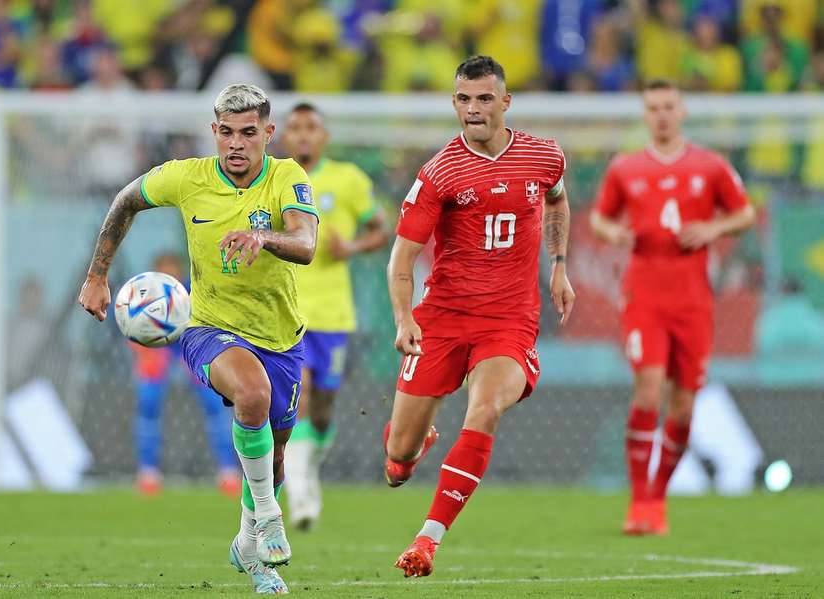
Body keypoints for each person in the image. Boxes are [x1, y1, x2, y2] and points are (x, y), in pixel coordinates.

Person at [78, 84, 319, 595]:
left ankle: (248, 548)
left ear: (267, 134)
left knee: (274, 455)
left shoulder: (286, 177)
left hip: (280, 337)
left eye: (248, 133)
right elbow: (126, 201)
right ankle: (271, 518)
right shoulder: (186, 177)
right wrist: (98, 275)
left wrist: (263, 237)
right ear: (214, 131)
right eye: (226, 133)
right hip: (207, 327)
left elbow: (305, 244)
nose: (236, 144)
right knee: (252, 396)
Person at [384, 55, 575, 578]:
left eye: (484, 98)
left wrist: (558, 267)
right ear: (454, 103)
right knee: (396, 464)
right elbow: (401, 261)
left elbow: (557, 203)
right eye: (464, 99)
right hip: (442, 320)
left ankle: (427, 541)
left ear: (505, 103)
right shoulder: (440, 173)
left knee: (486, 406)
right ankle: (415, 443)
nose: (473, 109)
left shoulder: (544, 156)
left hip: (508, 322)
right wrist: (405, 320)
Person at [590, 79, 755, 535]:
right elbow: (601, 217)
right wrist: (612, 233)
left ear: (682, 112)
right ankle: (641, 501)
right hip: (644, 296)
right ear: (646, 115)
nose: (661, 115)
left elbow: (744, 213)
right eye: (653, 108)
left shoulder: (711, 165)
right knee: (647, 391)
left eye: (669, 107)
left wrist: (712, 228)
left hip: (694, 302)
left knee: (683, 407)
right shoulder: (626, 168)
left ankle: (658, 497)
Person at [280, 102, 389, 530]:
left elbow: (382, 228)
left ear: (325, 137)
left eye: (312, 128)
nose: (304, 135)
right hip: (286, 314)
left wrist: (353, 248)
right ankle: (303, 496)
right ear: (283, 136)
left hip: (334, 315)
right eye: (296, 128)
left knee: (322, 411)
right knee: (299, 399)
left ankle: (309, 464)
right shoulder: (274, 179)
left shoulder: (348, 180)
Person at [130, 252, 241, 498]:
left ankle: (228, 472)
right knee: (148, 404)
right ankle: (148, 472)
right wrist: (143, 349)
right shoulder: (143, 294)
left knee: (216, 405)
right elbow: (132, 325)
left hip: (190, 349)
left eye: (173, 271)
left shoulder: (193, 291)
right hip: (158, 350)